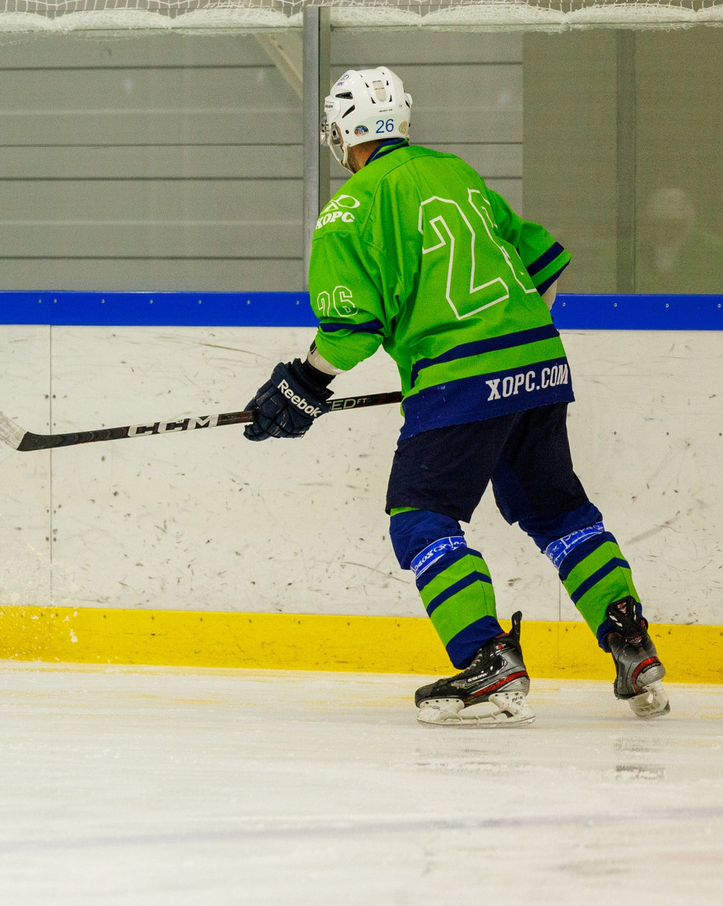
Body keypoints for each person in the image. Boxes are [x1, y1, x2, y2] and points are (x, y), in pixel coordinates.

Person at [243, 66, 666, 726]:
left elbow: (351, 331)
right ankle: (629, 640)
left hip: (461, 378)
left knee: (421, 516)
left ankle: (488, 658)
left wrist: (304, 384)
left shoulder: (351, 209)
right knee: (558, 512)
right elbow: (544, 271)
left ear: (341, 134)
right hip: (538, 365)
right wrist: (506, 350)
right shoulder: (456, 174)